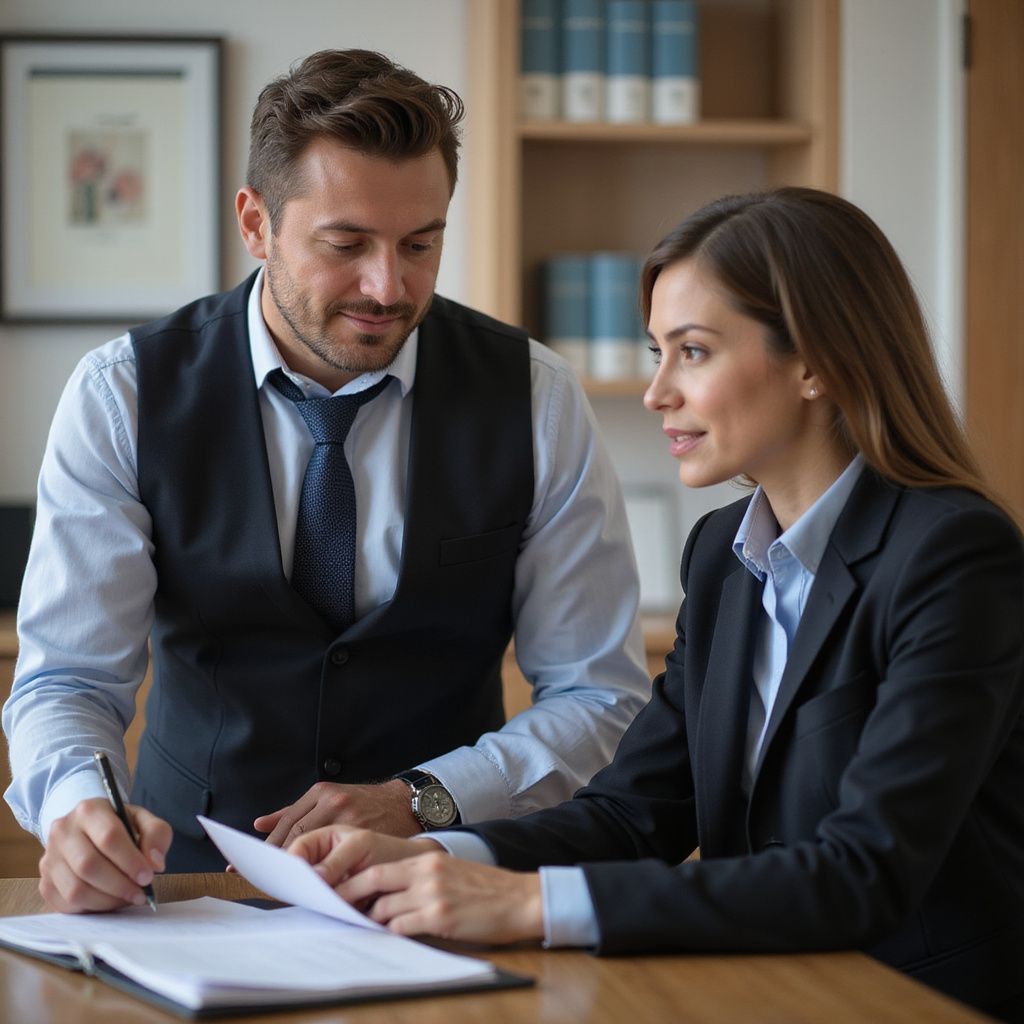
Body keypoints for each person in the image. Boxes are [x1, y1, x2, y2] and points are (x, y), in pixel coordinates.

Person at [286, 188, 1024, 1021]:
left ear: (817, 361)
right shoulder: (722, 555)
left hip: (913, 1002)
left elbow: (865, 872)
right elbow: (636, 813)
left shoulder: (954, 555)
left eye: (695, 353)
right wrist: (433, 858)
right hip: (764, 989)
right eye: (656, 353)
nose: (657, 392)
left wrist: (530, 907)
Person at [2, 50, 650, 909]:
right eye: (346, 244)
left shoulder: (535, 396)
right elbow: (71, 679)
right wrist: (81, 808)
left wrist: (427, 797)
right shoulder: (122, 394)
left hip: (444, 886)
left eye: (421, 245)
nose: (389, 286)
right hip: (188, 884)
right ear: (256, 223)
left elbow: (599, 693)